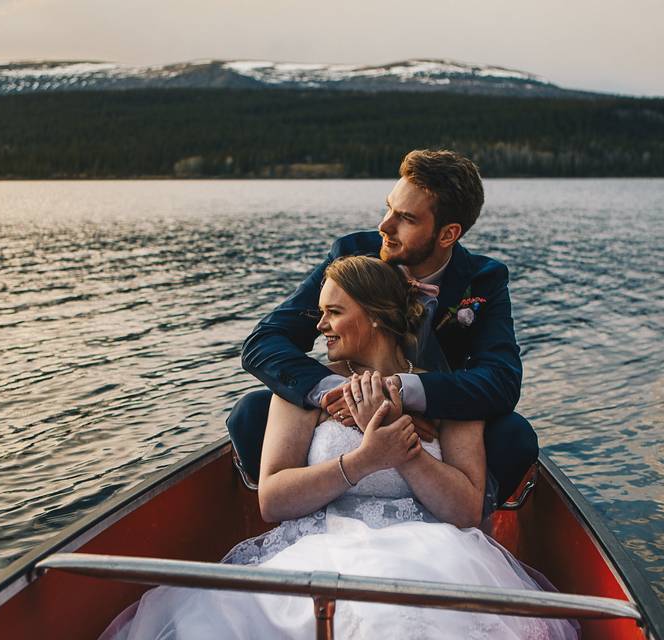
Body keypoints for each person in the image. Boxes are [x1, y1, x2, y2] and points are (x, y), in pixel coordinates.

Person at [99, 256, 577, 639]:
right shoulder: (303, 391)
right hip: (315, 543)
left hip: (431, 551)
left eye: (333, 312)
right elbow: (273, 501)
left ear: (373, 316)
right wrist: (363, 460)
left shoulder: (448, 394)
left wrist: (403, 451)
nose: (320, 326)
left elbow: (466, 509)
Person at [229, 149, 536, 512]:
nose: (384, 226)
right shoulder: (353, 256)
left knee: (514, 435)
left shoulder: (484, 280)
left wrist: (400, 394)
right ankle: (294, 510)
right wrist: (345, 395)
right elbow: (265, 342)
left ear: (448, 234)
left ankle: (471, 521)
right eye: (389, 207)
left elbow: (501, 380)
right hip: (348, 398)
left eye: (405, 218)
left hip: (437, 413)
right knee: (250, 413)